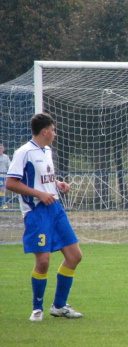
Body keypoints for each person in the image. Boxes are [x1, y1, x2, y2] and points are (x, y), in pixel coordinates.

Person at [6, 113, 83, 322]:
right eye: (53, 130)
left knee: (75, 256)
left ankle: (59, 306)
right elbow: (11, 183)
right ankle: (37, 308)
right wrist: (40, 194)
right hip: (37, 213)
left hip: (56, 209)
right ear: (44, 131)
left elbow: (42, 178)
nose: (55, 134)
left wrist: (57, 184)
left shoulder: (47, 150)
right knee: (43, 262)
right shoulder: (24, 152)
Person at [0, 143, 11, 209]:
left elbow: (9, 165)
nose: (0, 150)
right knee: (2, 189)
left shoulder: (6, 157)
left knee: (2, 190)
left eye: (1, 148)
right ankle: (3, 203)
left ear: (3, 149)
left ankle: (3, 203)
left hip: (3, 176)